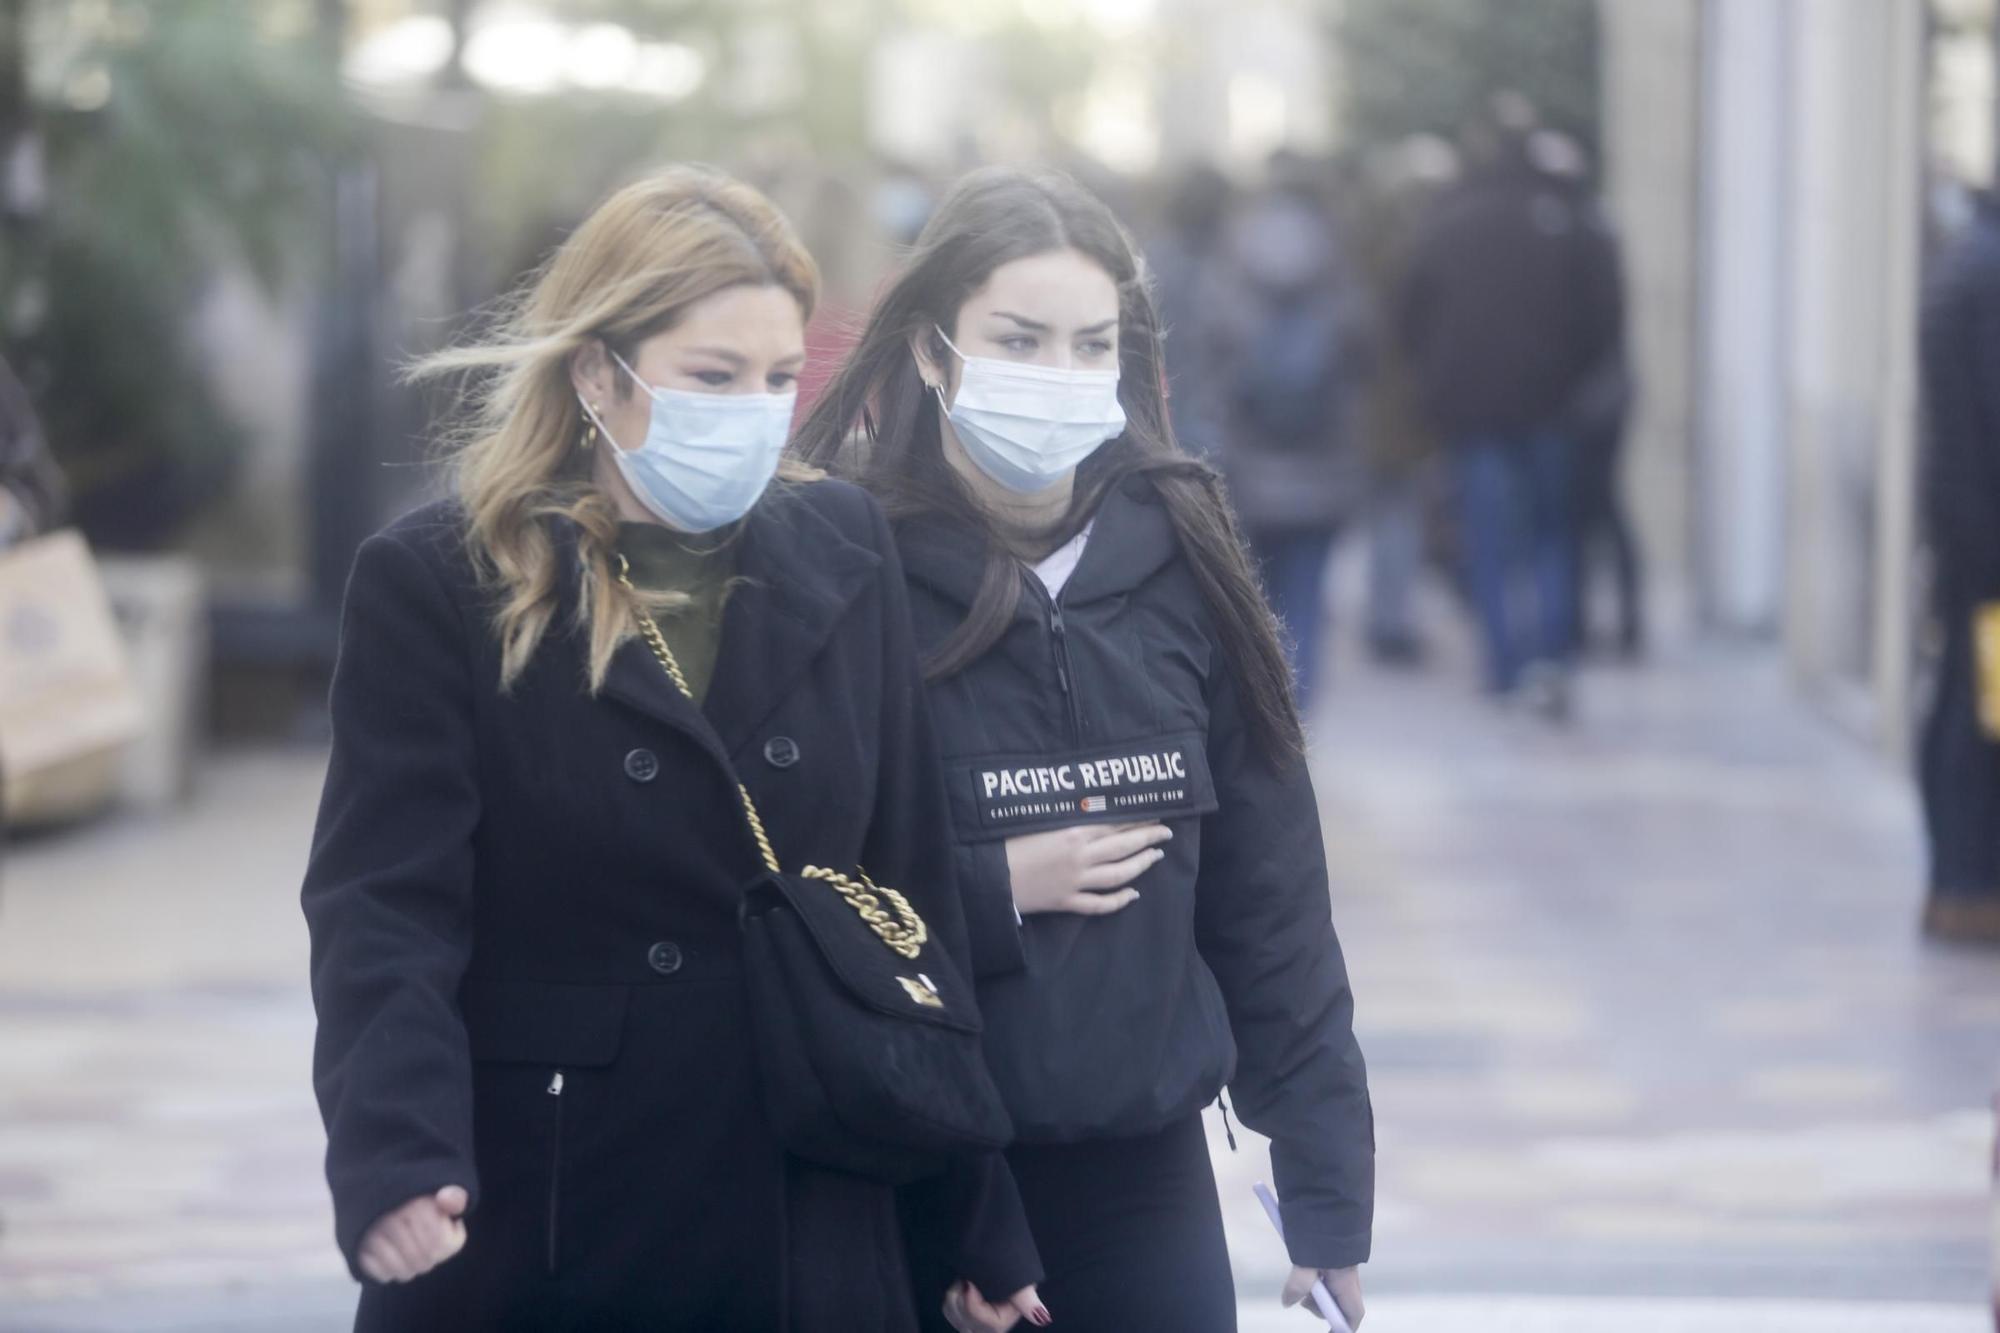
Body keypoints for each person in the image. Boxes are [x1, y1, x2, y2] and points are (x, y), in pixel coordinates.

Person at [301, 166, 1045, 1332]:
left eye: (778, 377)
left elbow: (906, 901)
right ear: (599, 374)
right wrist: (397, 1148)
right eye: (712, 376)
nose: (753, 408)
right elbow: (386, 906)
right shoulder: (441, 578)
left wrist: (972, 1212)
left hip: (810, 1194)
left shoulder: (840, 546)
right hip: (556, 1200)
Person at [796, 166, 1374, 1333]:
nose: (1056, 377)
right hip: (916, 1172)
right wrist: (991, 887)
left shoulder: (1182, 552)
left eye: (1088, 345)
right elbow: (787, 889)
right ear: (929, 351)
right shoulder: (840, 566)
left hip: (1136, 1173)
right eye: (1018, 340)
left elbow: (1270, 897)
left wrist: (1324, 1190)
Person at [1399, 113, 1620, 719]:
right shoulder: (1566, 220)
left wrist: (1439, 385)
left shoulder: (1449, 222)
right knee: (1553, 534)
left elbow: (1411, 313)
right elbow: (1605, 317)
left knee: (1492, 540)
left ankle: (1503, 666)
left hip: (1475, 412)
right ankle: (1552, 659)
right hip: (1553, 409)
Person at [1206, 160, 1371, 712]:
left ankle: (1263, 703)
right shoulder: (1339, 274)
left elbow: (1214, 362)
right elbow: (1363, 359)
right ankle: (1300, 707)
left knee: (1256, 594)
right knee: (1307, 594)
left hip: (1251, 469)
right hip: (1324, 470)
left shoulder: (1233, 271)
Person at [1917, 187, 2000, 945]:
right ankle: (1971, 885)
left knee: (1964, 707)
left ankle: (1958, 882)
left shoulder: (1965, 261)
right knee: (1985, 720)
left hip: (1968, 535)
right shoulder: (1989, 274)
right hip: (1989, 545)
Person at [1529, 130, 1644, 660]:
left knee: (1587, 511)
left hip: (1588, 398)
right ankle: (1609, 621)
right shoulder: (1592, 226)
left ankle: (1601, 622)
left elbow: (1590, 322)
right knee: (1595, 511)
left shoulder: (1575, 231)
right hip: (1602, 393)